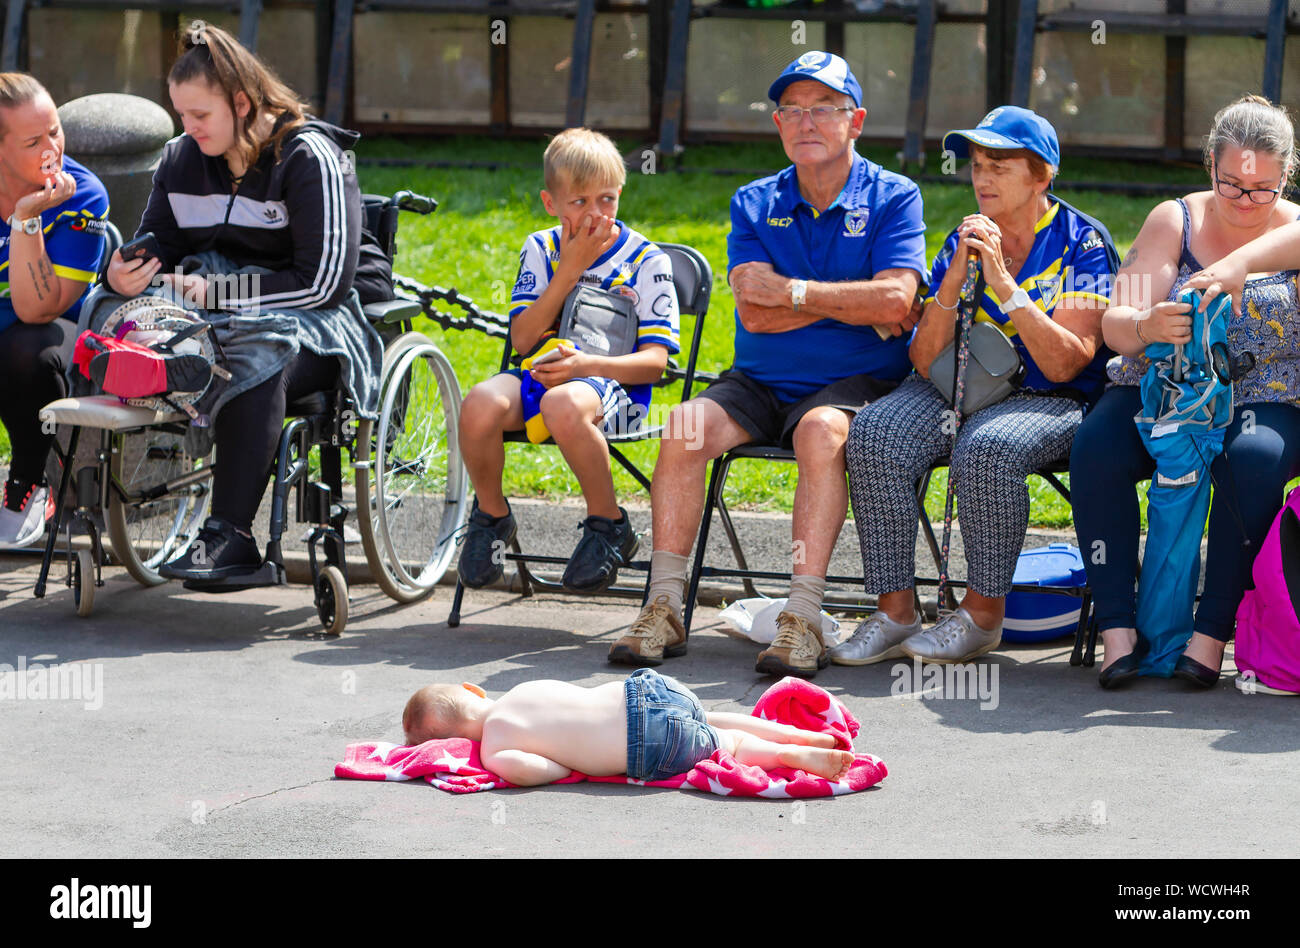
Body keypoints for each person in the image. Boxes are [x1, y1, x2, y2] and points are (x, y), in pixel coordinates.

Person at [608, 51, 927, 678]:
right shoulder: (753, 201)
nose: (806, 122)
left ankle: (803, 617)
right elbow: (754, 316)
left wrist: (795, 291)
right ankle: (664, 606)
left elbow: (897, 300)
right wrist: (851, 300)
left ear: (855, 121)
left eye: (824, 110)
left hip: (857, 383)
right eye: (792, 111)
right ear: (779, 125)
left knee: (820, 431)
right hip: (757, 380)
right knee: (683, 428)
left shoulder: (894, 195)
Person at [91, 22, 384, 581]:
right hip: (216, 315)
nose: (188, 128)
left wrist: (225, 292)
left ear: (242, 103)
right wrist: (123, 274)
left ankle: (231, 536)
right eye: (181, 115)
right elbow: (160, 245)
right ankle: (113, 482)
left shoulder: (308, 157)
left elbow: (324, 282)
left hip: (316, 321)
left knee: (257, 352)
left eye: (200, 115)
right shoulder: (181, 159)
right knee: (113, 316)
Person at [838, 106, 1114, 666]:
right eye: (978, 165)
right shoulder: (962, 238)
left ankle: (983, 616)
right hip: (961, 384)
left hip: (1051, 399)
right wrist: (952, 281)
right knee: (873, 434)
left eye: (1000, 167)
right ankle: (895, 613)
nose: (982, 178)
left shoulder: (1083, 242)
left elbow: (1068, 363)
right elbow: (921, 357)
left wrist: (1006, 288)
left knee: (987, 448)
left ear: (1042, 176)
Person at [1072, 95, 1300, 690]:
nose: (1245, 202)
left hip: (1263, 391)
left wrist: (1237, 267)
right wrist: (1146, 328)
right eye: (1232, 185)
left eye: (1262, 190)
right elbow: (1114, 324)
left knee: (1251, 463)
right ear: (1209, 166)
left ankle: (1209, 634)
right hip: (1165, 386)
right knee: (1097, 447)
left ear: (1286, 176)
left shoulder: (1296, 225)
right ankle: (1118, 631)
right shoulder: (1174, 221)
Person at [455, 128, 679, 593]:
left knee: (562, 405)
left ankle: (608, 522)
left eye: (607, 199)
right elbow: (521, 339)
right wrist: (570, 269)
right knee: (479, 402)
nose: (595, 214)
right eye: (579, 202)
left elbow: (655, 364)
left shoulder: (646, 260)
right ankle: (492, 515)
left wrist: (584, 368)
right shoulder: (541, 248)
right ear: (550, 202)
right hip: (539, 374)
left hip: (613, 389)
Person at [401, 671, 854, 785]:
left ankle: (789, 758)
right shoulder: (522, 689)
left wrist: (563, 765)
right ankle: (798, 734)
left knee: (726, 743)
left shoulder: (493, 750)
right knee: (709, 716)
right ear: (474, 690)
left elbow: (536, 771)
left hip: (649, 745)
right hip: (650, 690)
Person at [0, 73, 108, 549]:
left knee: (27, 350)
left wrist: (25, 220)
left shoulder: (81, 195)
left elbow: (37, 308)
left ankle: (28, 485)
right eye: (33, 140)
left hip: (52, 332)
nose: (52, 150)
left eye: (56, 131)